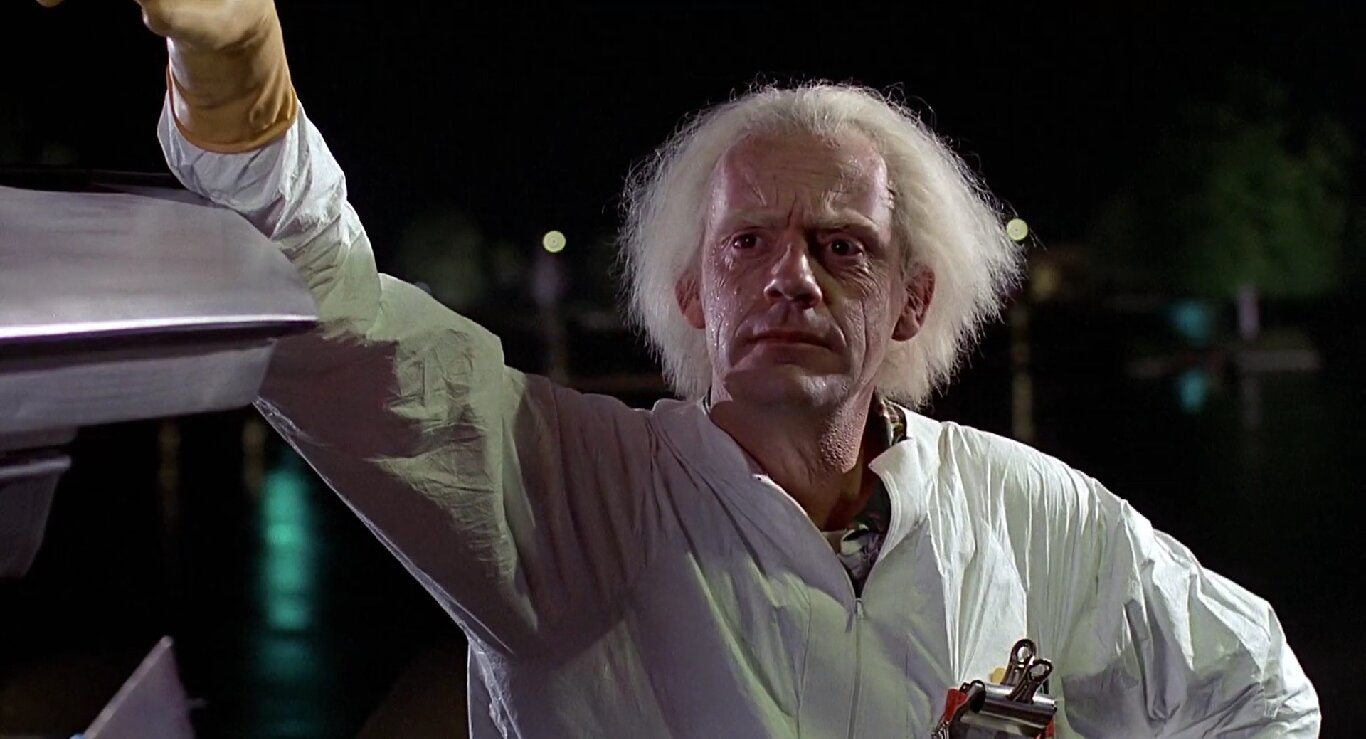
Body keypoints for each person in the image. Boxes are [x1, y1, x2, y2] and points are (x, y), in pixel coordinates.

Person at [49, 0, 1320, 735]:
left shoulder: (1036, 514)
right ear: (691, 293)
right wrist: (239, 73)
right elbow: (329, 315)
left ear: (913, 300)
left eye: (841, 246)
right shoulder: (570, 497)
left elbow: (1258, 693)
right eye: (747, 243)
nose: (790, 278)